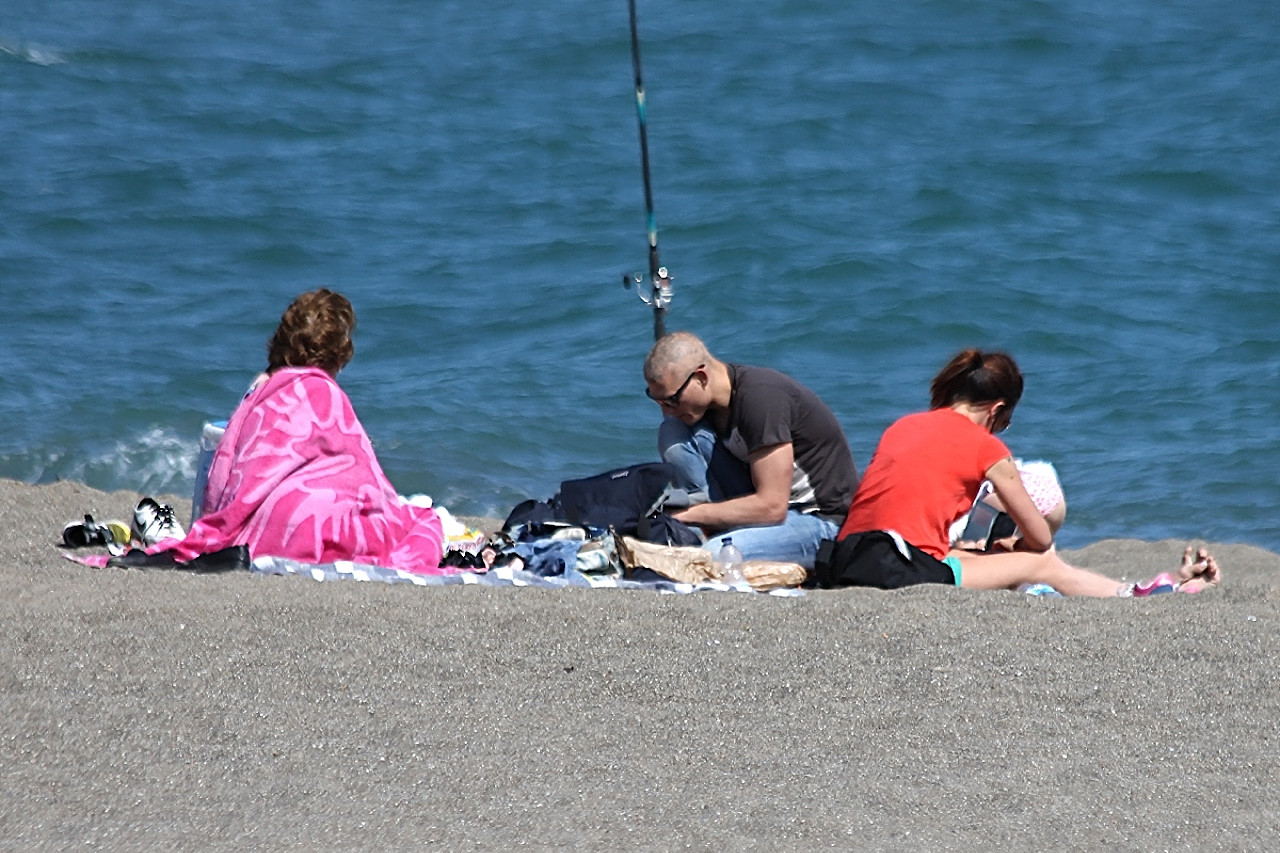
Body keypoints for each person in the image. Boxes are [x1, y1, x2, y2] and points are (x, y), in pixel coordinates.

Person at [822, 348, 1219, 597]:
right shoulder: (986, 446)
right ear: (996, 410)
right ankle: (1134, 596)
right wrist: (1018, 549)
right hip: (895, 569)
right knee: (1041, 561)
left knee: (979, 556)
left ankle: (1143, 589)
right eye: (1005, 421)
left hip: (847, 557)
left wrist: (980, 552)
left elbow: (898, 520)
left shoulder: (903, 425)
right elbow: (1041, 536)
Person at [159, 288, 449, 574]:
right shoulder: (325, 394)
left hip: (255, 528)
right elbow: (365, 482)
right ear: (339, 356)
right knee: (423, 521)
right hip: (312, 529)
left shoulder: (259, 392)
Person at [643, 332, 859, 569]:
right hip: (765, 507)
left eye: (672, 400)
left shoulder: (762, 399)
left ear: (701, 377)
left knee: (712, 557)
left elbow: (772, 506)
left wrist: (689, 514)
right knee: (673, 430)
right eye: (659, 403)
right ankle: (696, 532)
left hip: (817, 520)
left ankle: (701, 531)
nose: (667, 411)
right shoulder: (710, 407)